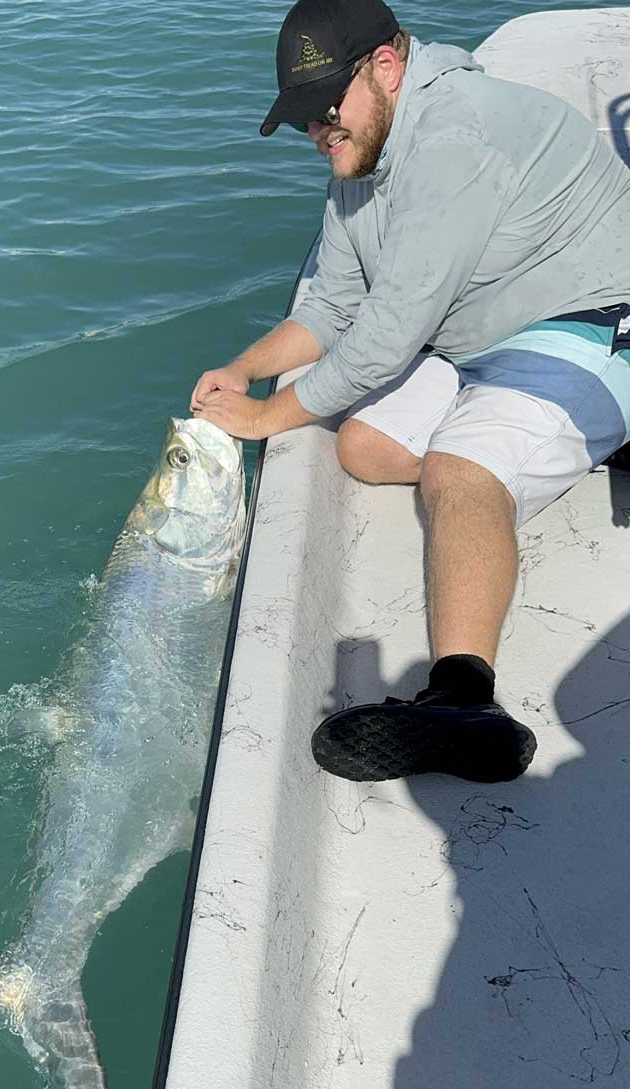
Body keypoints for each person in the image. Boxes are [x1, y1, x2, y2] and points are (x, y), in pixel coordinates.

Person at [190, 0, 630, 784]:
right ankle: (557, 443)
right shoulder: (363, 159)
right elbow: (331, 305)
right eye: (303, 125)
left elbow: (387, 337)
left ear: (385, 68)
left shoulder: (453, 138)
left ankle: (465, 698)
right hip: (482, 330)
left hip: (591, 316)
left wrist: (264, 419)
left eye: (326, 113)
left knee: (457, 471)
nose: (320, 136)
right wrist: (246, 369)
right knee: (362, 446)